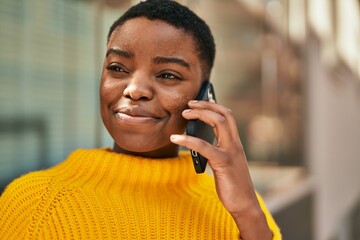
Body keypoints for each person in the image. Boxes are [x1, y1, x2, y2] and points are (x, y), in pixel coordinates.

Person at [0, 0, 281, 239]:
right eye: (117, 68)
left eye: (168, 75)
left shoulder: (240, 207)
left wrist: (247, 213)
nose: (134, 89)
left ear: (204, 96)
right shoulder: (36, 204)